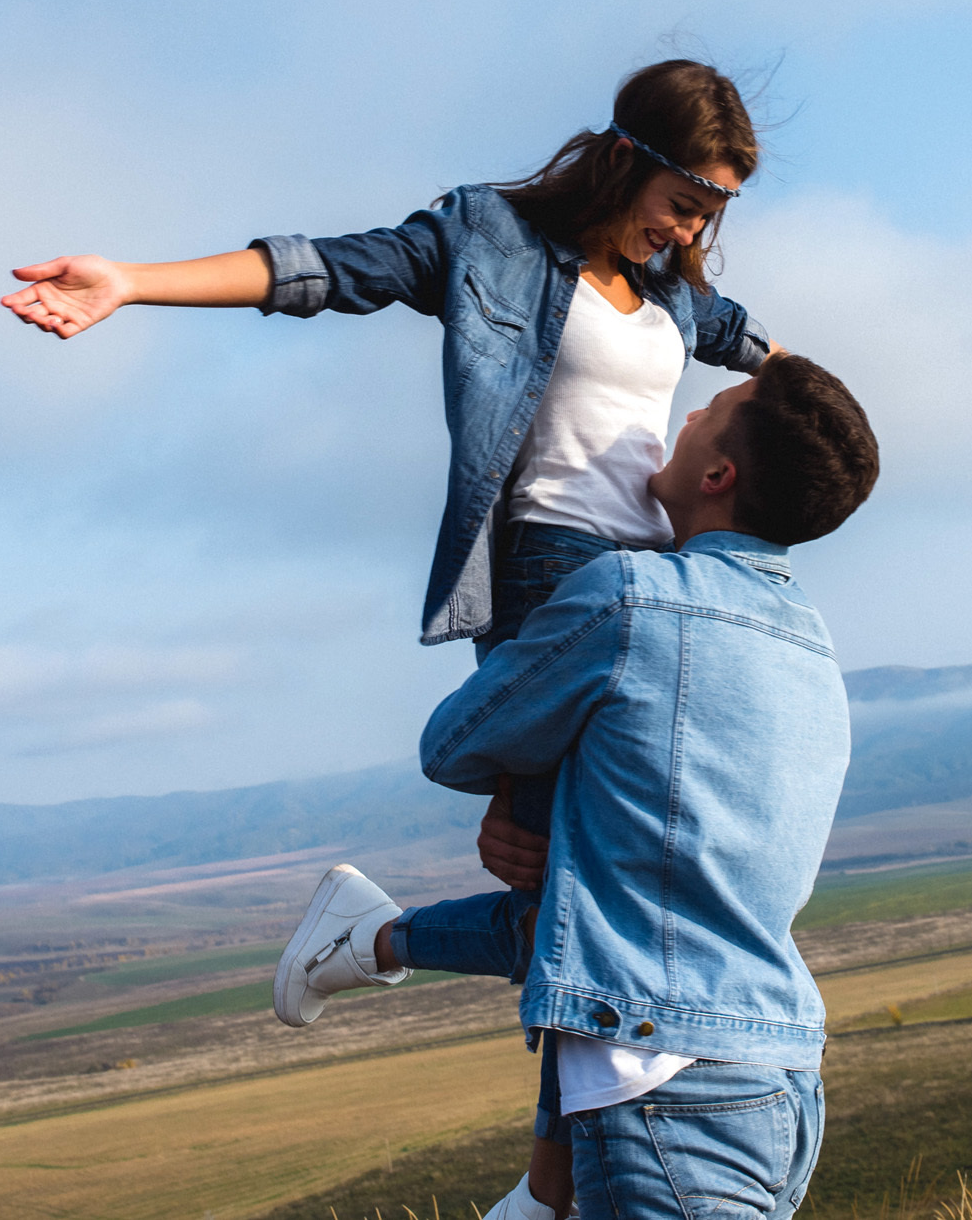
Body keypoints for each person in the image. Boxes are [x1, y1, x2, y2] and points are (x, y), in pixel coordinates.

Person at [2, 61, 782, 1210]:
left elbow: (742, 342)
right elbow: (324, 270)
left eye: (716, 209)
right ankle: (539, 1182)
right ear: (625, 155)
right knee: (590, 910)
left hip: (653, 586)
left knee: (585, 904)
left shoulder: (668, 291)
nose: (696, 225)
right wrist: (133, 282)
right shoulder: (491, 238)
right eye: (686, 194)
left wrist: (804, 392)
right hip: (547, 578)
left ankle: (382, 951)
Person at [274, 356, 879, 1220]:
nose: (691, 408)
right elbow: (619, 905)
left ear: (718, 474)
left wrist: (522, 780)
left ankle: (376, 944)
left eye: (713, 405)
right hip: (779, 1073)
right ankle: (377, 945)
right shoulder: (811, 641)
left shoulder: (634, 598)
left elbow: (452, 744)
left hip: (668, 1081)